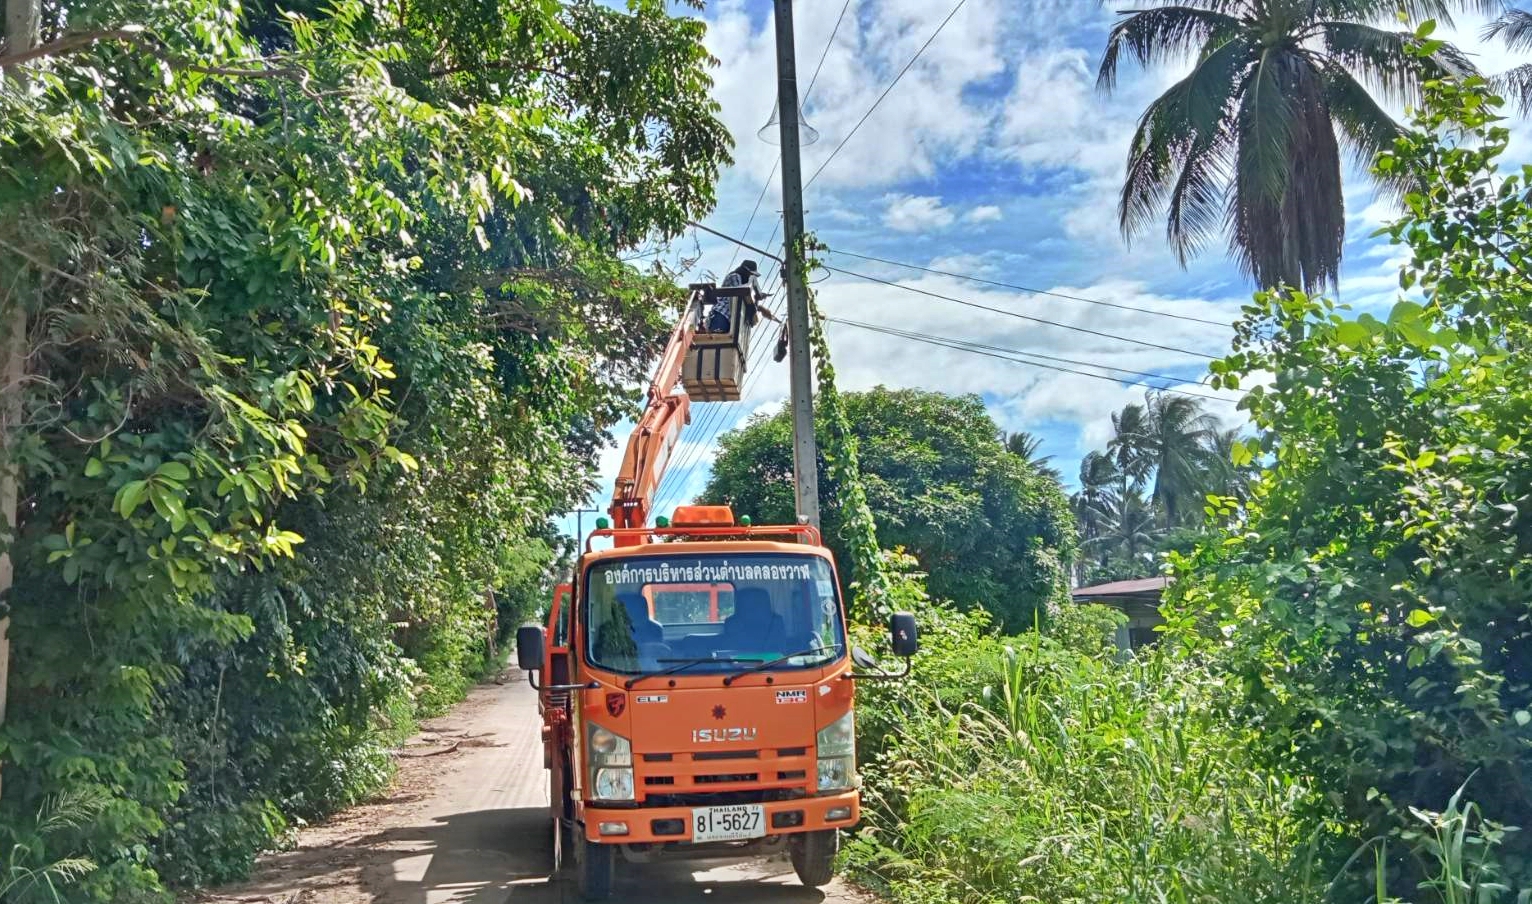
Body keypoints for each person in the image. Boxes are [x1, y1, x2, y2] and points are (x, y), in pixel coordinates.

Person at [709, 260, 780, 333]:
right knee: (717, 336)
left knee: (722, 340)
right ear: (745, 271)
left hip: (729, 317)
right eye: (750, 274)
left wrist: (756, 300)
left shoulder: (741, 280)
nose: (750, 276)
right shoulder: (734, 276)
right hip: (722, 313)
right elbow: (739, 293)